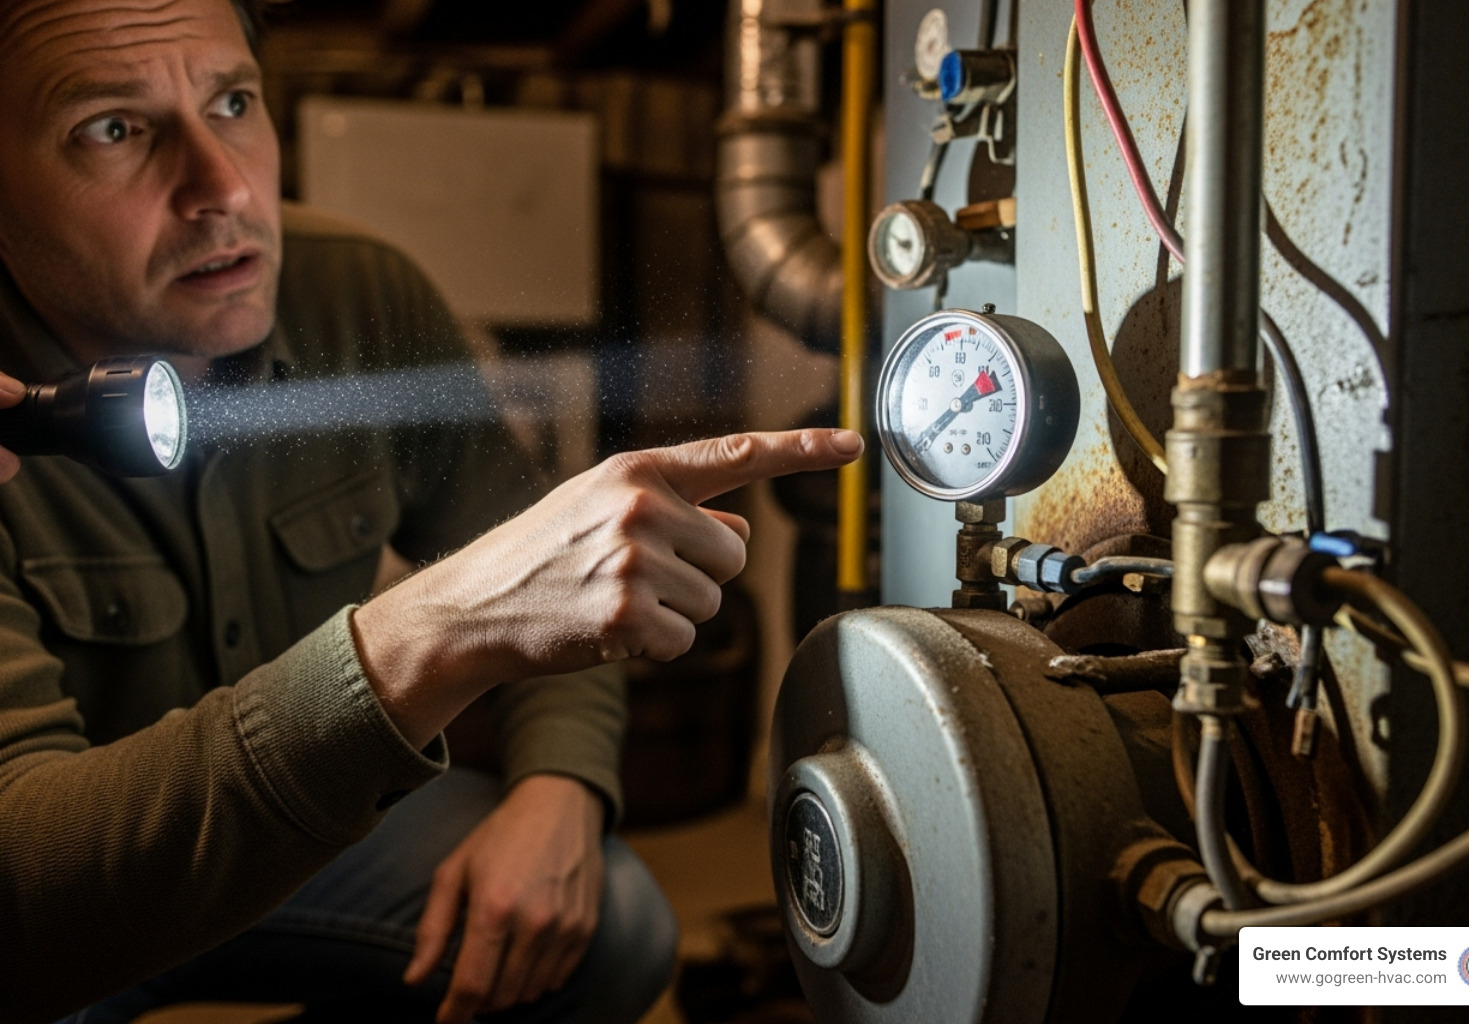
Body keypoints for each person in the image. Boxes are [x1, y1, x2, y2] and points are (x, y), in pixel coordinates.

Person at [0, 0, 865, 1022]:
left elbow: (551, 570)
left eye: (232, 103)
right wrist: (433, 630)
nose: (222, 187)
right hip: (73, 884)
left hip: (302, 830)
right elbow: (28, 887)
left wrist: (561, 788)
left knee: (612, 928)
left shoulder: (360, 295)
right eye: (112, 128)